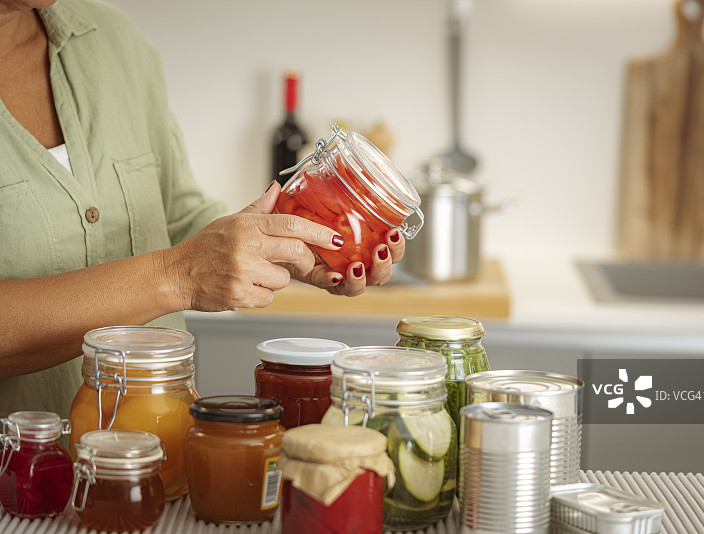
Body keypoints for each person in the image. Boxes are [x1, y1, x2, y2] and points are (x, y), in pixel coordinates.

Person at [0, 0, 405, 420]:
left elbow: (175, 214)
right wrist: (178, 275)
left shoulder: (113, 42)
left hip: (165, 434)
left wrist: (286, 243)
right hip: (21, 465)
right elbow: (180, 263)